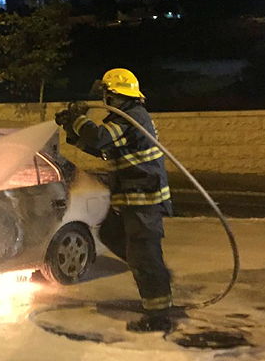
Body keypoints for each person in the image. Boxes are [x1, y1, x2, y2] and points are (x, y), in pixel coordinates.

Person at [55, 68, 182, 332]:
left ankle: (158, 316)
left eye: (105, 93)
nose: (103, 98)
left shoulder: (131, 118)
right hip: (132, 200)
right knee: (112, 234)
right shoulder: (127, 119)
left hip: (144, 201)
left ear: (113, 94)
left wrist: (79, 119)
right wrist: (72, 127)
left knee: (143, 255)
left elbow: (101, 137)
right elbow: (101, 148)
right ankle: (155, 275)